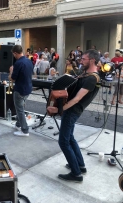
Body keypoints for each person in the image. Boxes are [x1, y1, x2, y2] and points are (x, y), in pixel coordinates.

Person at [48, 49, 100, 182]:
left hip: (72, 111)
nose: (81, 61)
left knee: (63, 141)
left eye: (84, 59)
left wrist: (59, 110)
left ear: (92, 60)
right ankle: (80, 165)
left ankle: (76, 174)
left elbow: (77, 99)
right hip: (72, 110)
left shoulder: (92, 79)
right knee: (70, 138)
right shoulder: (85, 75)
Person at [8, 45, 33, 137]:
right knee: (21, 107)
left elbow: (13, 79)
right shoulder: (29, 61)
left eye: (13, 54)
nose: (13, 56)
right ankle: (19, 124)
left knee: (20, 110)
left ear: (15, 53)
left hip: (20, 90)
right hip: (28, 88)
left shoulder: (18, 63)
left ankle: (25, 130)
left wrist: (11, 71)